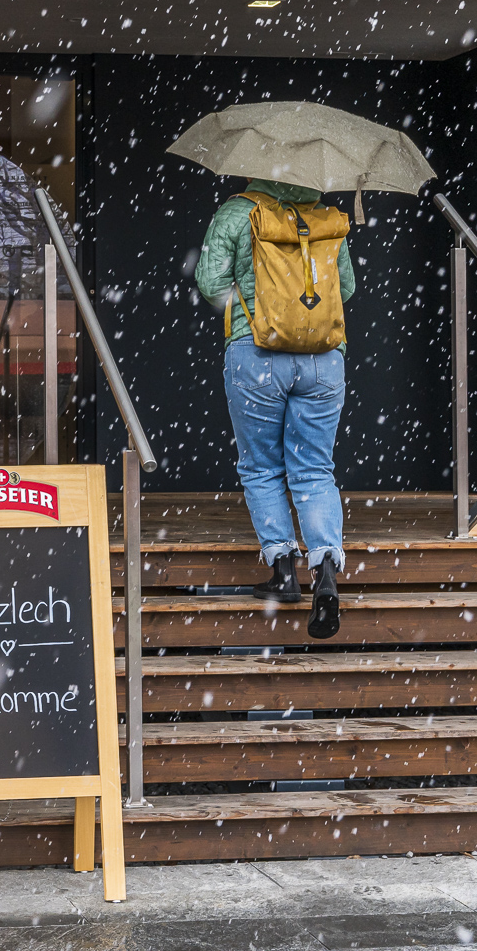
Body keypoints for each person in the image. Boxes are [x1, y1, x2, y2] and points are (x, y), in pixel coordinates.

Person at [193, 178, 355, 639]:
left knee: (262, 466)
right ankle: (325, 571)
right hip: (324, 359)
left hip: (257, 354)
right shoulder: (325, 216)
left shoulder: (237, 211)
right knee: (315, 469)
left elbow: (209, 283)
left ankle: (283, 569)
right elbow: (347, 287)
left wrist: (250, 312)